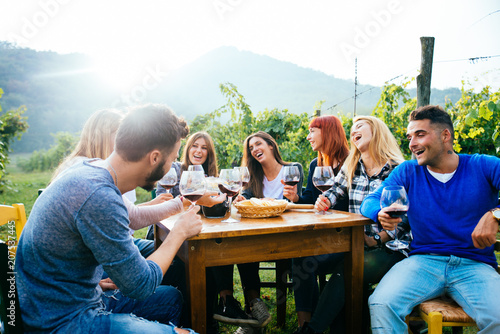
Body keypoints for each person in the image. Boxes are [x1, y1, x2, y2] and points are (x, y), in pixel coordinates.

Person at [16, 104, 224, 333]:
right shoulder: (98, 195)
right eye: (172, 158)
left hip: (73, 298)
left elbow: (131, 216)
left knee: (171, 298)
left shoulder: (91, 169)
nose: (170, 168)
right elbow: (141, 285)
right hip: (62, 320)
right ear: (155, 157)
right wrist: (178, 233)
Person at [360, 105, 500, 333]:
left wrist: (495, 214)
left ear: (446, 136)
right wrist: (380, 212)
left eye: (420, 134)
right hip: (423, 262)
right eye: (409, 136)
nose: (412, 143)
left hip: (475, 266)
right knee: (382, 303)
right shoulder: (408, 171)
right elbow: (370, 201)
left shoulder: (483, 165)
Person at [294, 116, 411, 334]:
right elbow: (333, 191)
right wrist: (324, 200)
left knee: (348, 268)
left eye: (359, 127)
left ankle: (313, 330)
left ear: (376, 132)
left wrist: (378, 238)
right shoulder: (352, 166)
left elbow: (407, 218)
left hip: (391, 247)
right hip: (355, 242)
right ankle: (317, 325)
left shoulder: (399, 169)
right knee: (305, 257)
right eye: (351, 129)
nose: (353, 131)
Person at [52, 108, 179, 258]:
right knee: (177, 255)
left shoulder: (95, 169)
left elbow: (127, 214)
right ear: (103, 137)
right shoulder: (93, 180)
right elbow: (139, 279)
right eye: (121, 133)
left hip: (102, 249)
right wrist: (179, 232)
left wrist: (171, 204)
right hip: (94, 256)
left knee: (176, 254)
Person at [212, 131, 304, 333]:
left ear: (271, 145)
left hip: (286, 235)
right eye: (251, 148)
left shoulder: (292, 169)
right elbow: (245, 195)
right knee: (242, 245)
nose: (254, 149)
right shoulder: (253, 175)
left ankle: (251, 316)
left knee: (245, 244)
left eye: (258, 144)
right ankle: (254, 309)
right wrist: (241, 199)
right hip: (259, 234)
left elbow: (302, 202)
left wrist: (296, 198)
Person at [284, 115, 349, 206]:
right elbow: (310, 199)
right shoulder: (315, 164)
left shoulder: (351, 162)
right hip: (321, 219)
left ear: (328, 132)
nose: (308, 137)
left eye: (312, 131)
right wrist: (295, 198)